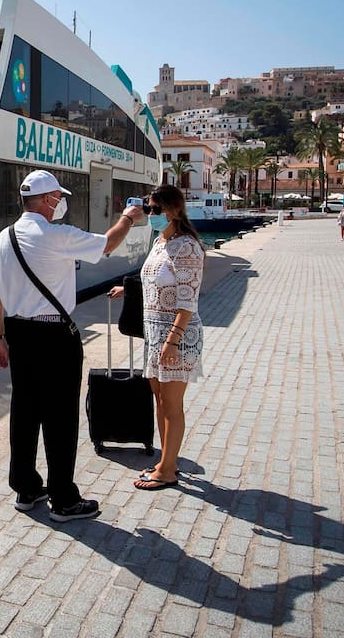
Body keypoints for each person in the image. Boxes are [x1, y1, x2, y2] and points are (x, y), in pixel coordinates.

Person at [0, 170, 147, 521]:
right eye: (58, 198)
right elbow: (107, 243)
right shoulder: (57, 235)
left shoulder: (5, 237)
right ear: (46, 201)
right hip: (54, 337)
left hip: (18, 334)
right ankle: (63, 500)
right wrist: (128, 217)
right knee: (59, 417)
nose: (60, 203)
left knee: (25, 413)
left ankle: (26, 488)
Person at [108, 184, 204, 492]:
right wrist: (129, 290)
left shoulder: (186, 246)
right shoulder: (161, 242)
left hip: (177, 336)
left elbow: (188, 301)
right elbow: (153, 278)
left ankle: (167, 470)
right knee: (160, 402)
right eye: (149, 210)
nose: (151, 215)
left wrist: (172, 341)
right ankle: (168, 462)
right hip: (155, 333)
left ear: (174, 210)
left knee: (172, 405)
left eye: (156, 210)